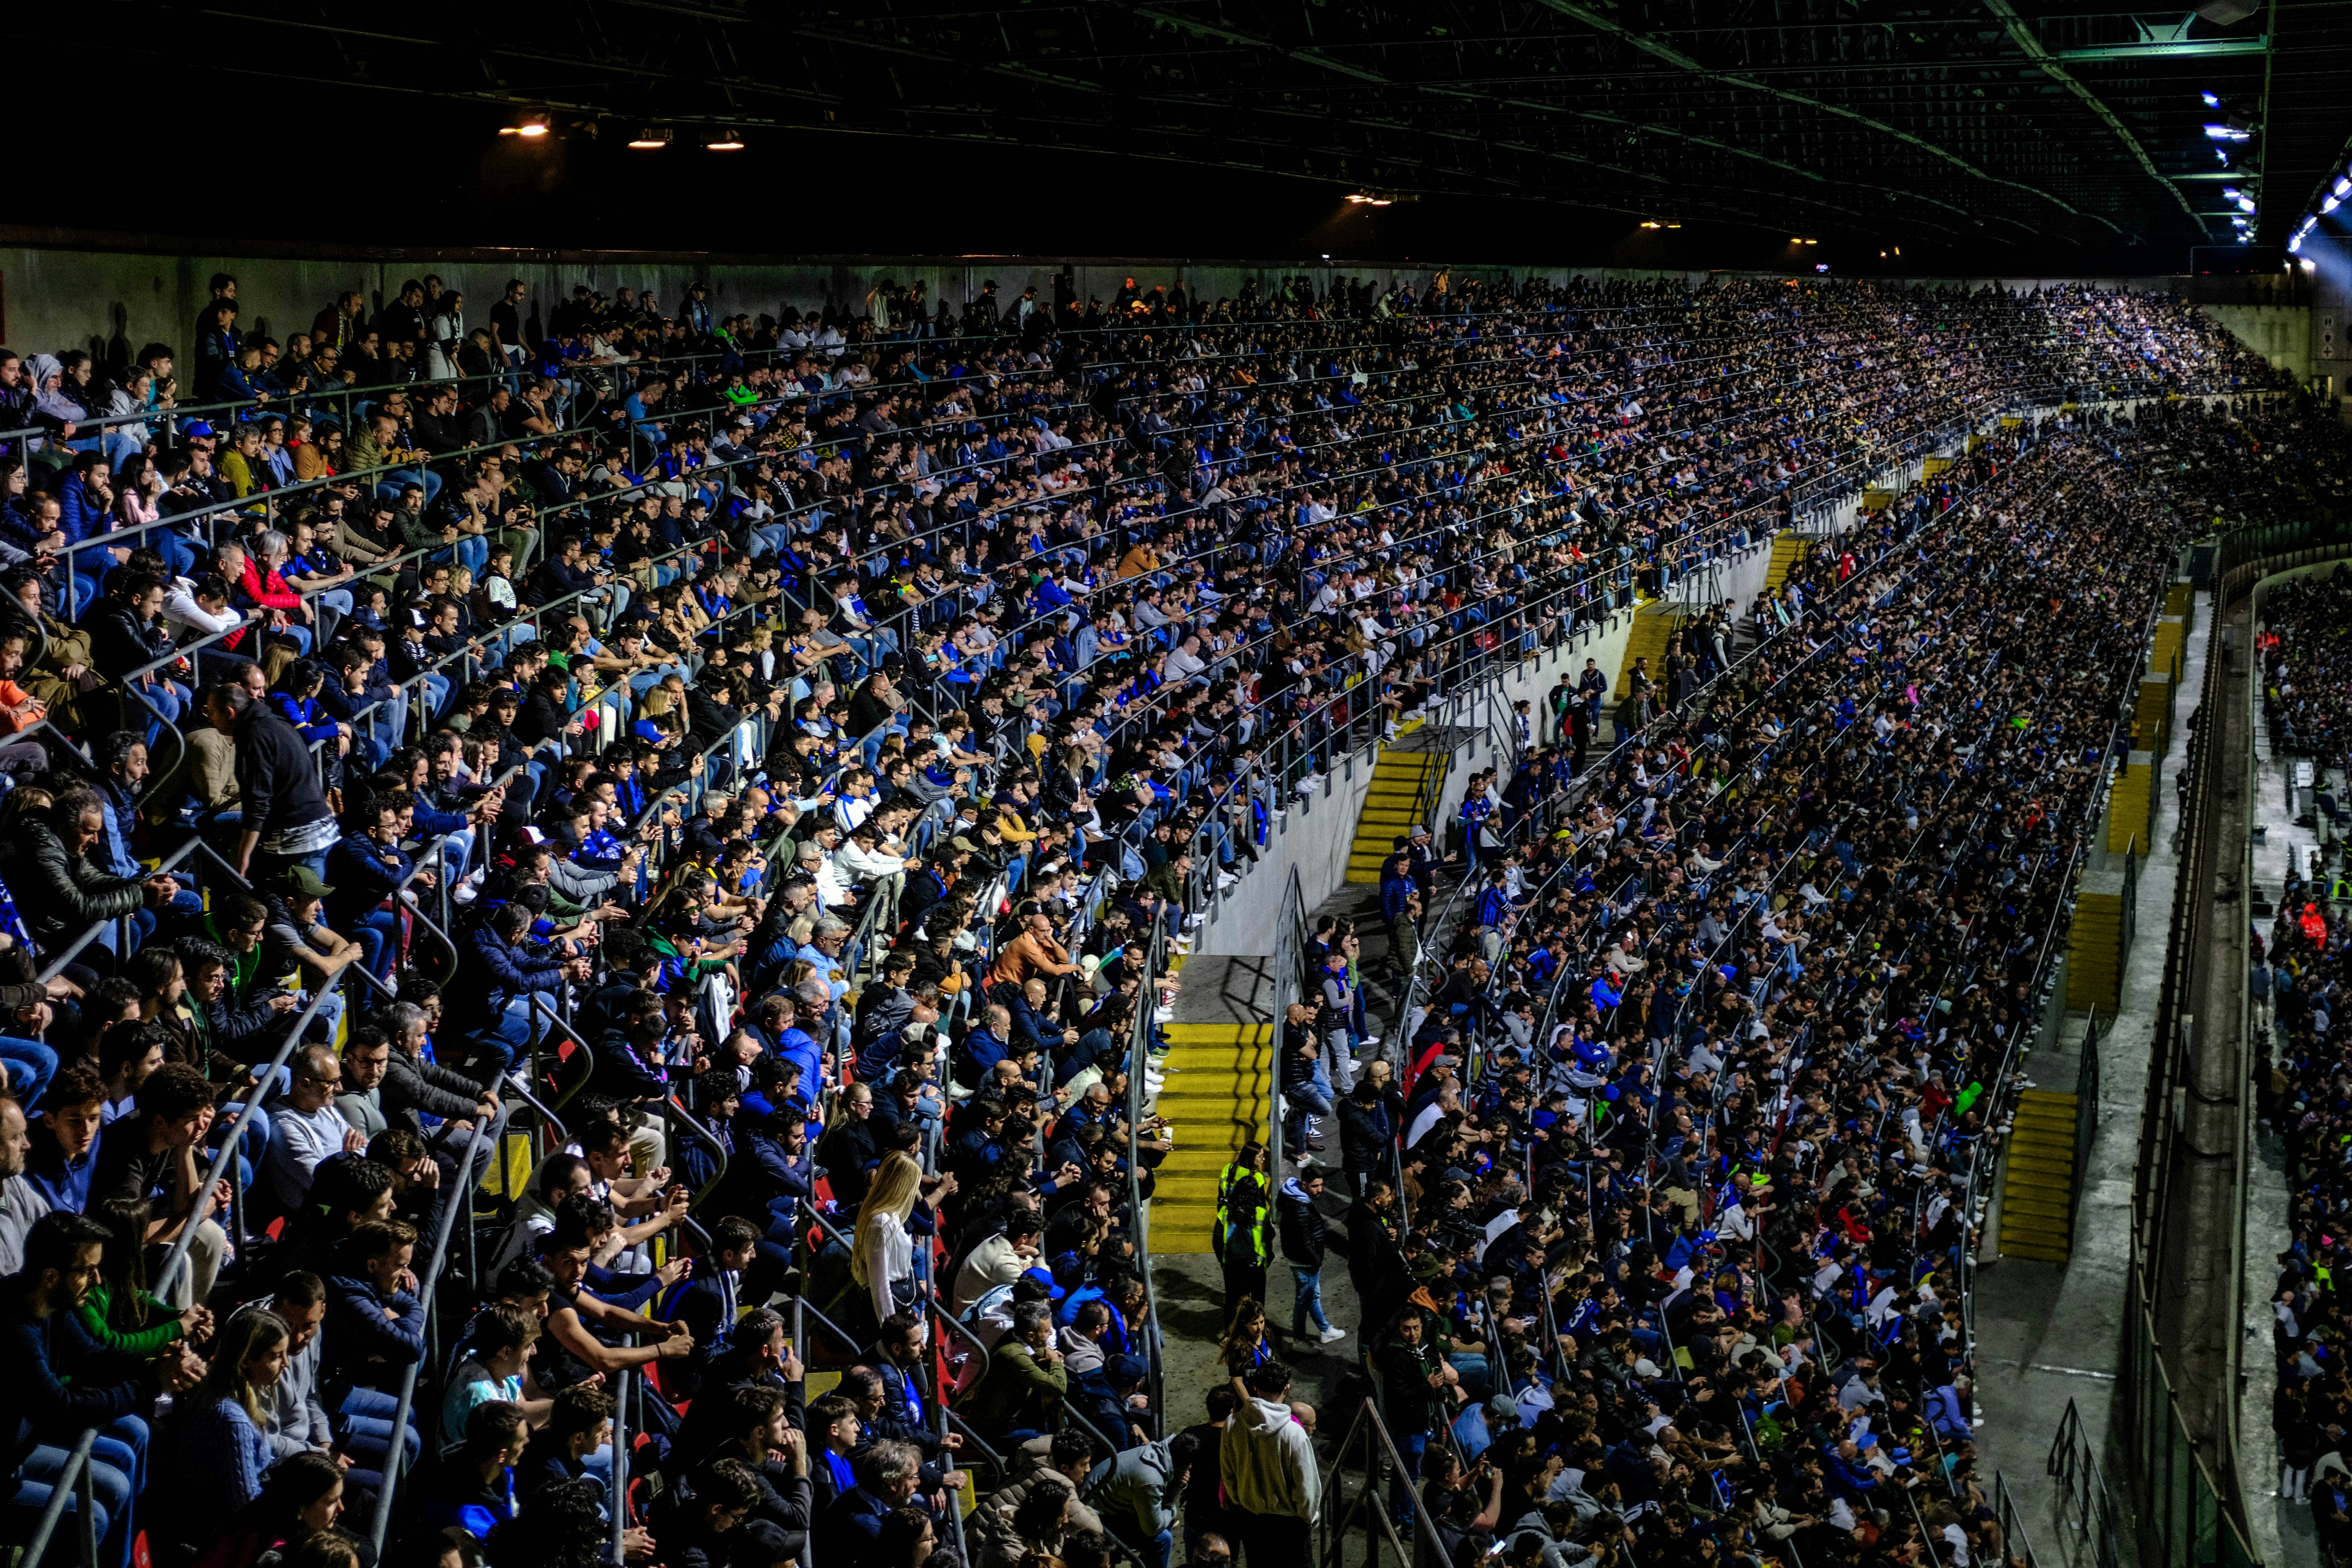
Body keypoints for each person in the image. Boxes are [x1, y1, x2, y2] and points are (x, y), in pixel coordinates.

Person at [1219, 1360, 1318, 1568]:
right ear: (1287, 1390)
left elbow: (1228, 1471)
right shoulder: (1294, 1433)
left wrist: (1240, 1501)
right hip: (1289, 1523)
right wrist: (1308, 1517)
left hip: (1251, 1519)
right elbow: (1306, 1486)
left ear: (1255, 1387)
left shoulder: (1232, 1424)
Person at [1274, 1166, 1344, 1346]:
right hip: (1306, 1263)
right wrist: (1316, 1261)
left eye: (1321, 1185)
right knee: (1304, 1301)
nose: (1319, 1190)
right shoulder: (1301, 1209)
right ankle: (1299, 1339)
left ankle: (1325, 1330)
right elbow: (1305, 1242)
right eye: (1315, 1186)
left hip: (1300, 1259)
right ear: (1304, 1184)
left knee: (1312, 1296)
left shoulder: (1295, 1198)